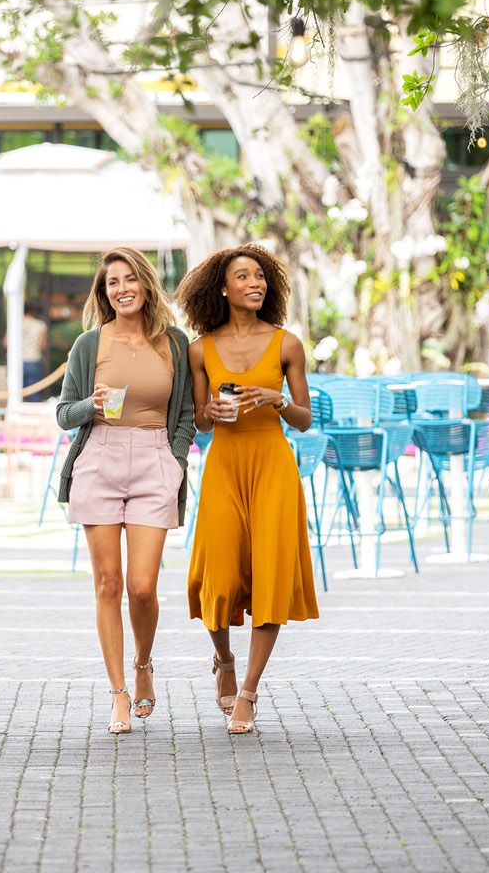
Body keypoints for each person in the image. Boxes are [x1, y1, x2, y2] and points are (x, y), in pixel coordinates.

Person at [177, 243, 317, 735]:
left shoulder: (286, 345)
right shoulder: (200, 349)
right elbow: (200, 422)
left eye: (260, 277)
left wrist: (278, 400)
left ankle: (249, 692)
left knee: (270, 576)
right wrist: (209, 412)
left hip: (272, 464)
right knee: (216, 575)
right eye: (244, 276)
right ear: (222, 288)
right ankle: (224, 660)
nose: (255, 283)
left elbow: (304, 419)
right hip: (224, 464)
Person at [54, 247, 195, 734]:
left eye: (129, 279)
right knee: (108, 583)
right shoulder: (90, 345)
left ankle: (143, 663)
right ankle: (118, 693)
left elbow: (186, 415)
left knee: (142, 586)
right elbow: (63, 413)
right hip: (100, 459)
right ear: (104, 292)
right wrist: (89, 406)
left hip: (156, 460)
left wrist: (174, 462)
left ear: (146, 284)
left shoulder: (174, 343)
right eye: (112, 282)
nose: (122, 289)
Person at [21, 304, 48, 392]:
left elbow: (6, 342)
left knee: (16, 394)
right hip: (33, 360)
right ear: (31, 312)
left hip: (17, 362)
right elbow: (43, 345)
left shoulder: (14, 324)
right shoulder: (40, 325)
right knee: (34, 393)